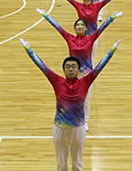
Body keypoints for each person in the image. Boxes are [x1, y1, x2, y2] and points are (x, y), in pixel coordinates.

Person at [19, 38, 121, 171]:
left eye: (74, 66)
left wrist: (112, 51)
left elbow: (99, 67)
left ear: (79, 70)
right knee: (61, 161)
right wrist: (29, 50)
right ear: (63, 70)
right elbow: (42, 66)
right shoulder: (56, 81)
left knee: (77, 161)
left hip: (78, 127)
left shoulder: (85, 81)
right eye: (67, 67)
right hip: (59, 126)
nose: (71, 69)